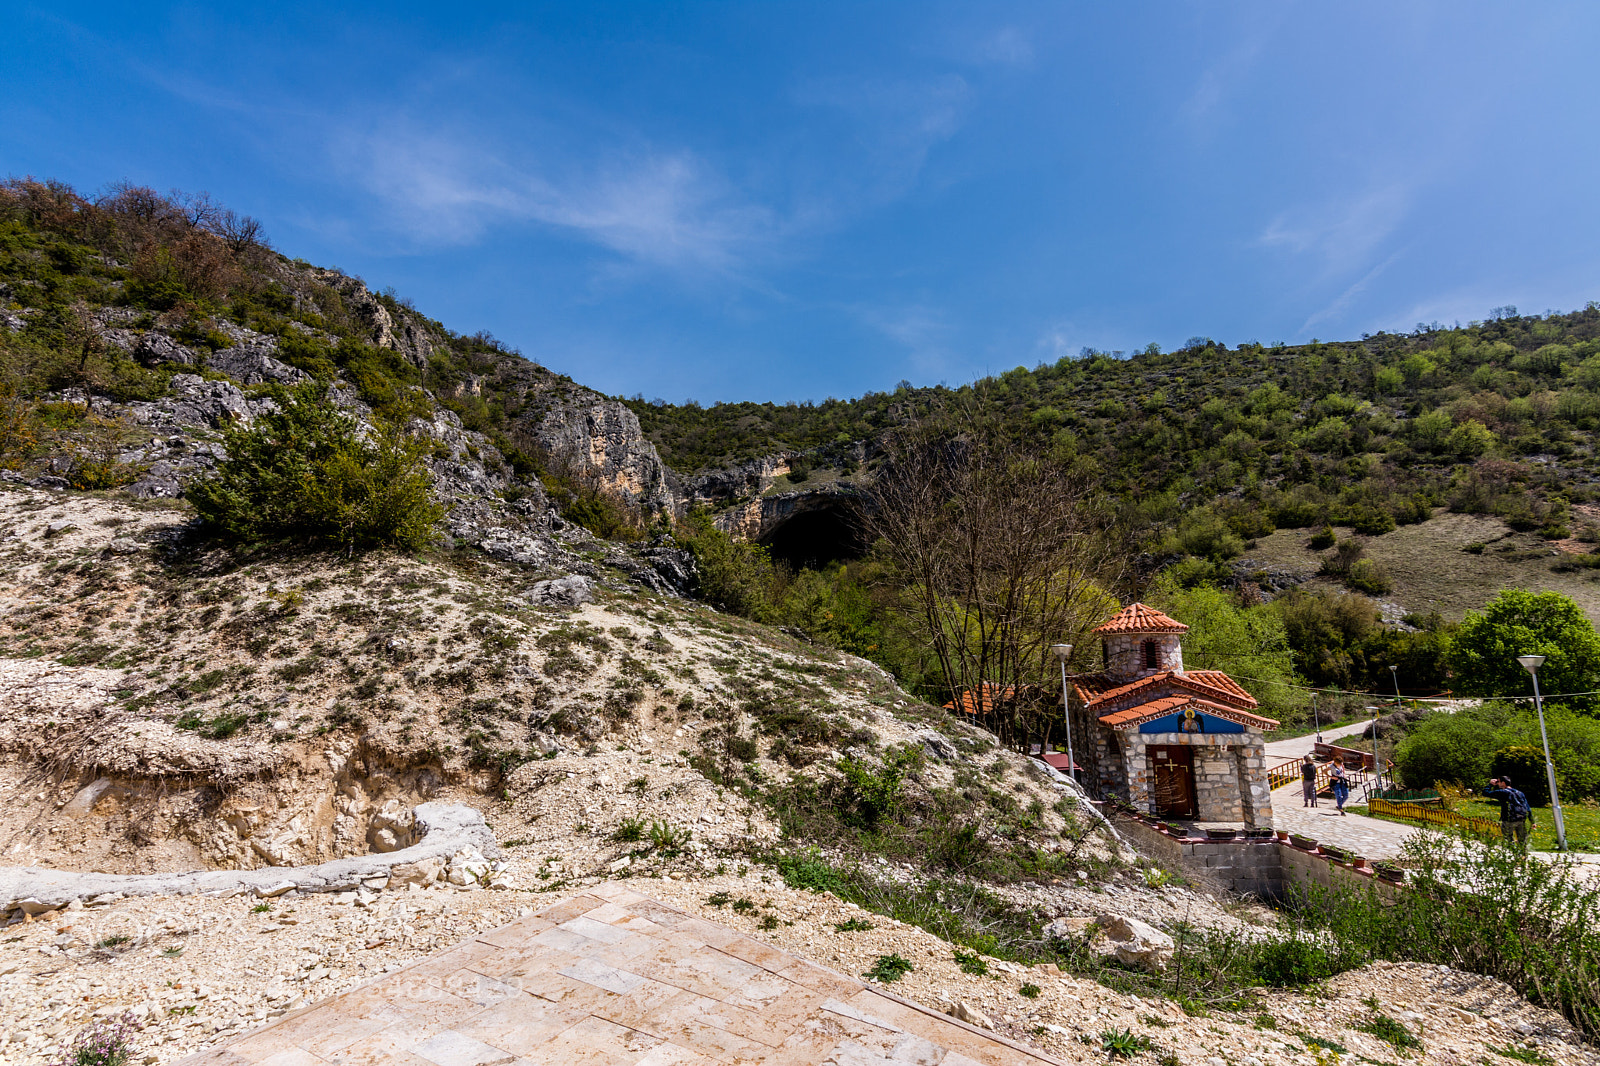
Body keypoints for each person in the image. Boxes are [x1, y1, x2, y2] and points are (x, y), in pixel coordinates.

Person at [1482, 777, 1534, 847]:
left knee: (1508, 838)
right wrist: (1532, 821)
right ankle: (1522, 855)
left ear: (1503, 783)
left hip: (1509, 818)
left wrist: (1490, 784)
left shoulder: (1502, 792)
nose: (1497, 784)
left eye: (1498, 782)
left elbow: (1486, 793)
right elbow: (1527, 807)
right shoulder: (1520, 793)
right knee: (1522, 840)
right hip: (1521, 818)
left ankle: (1514, 852)